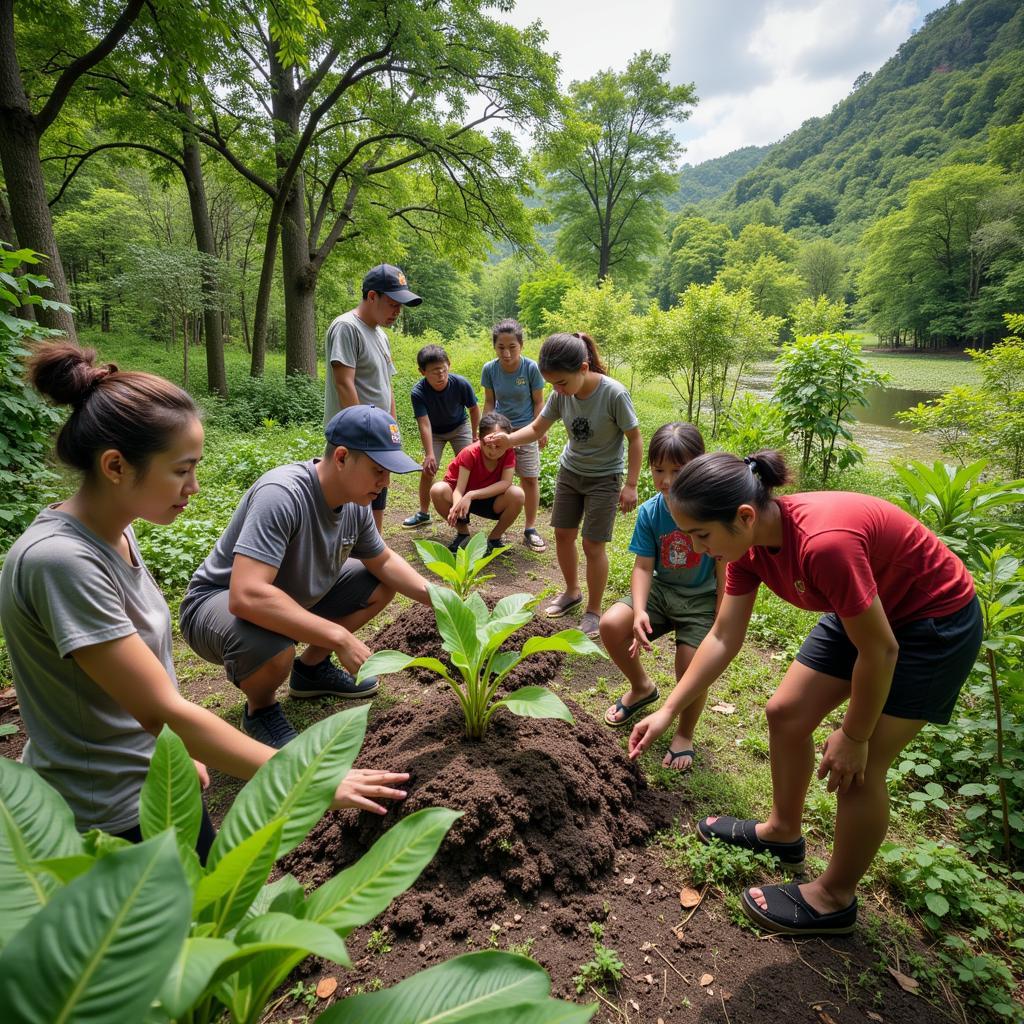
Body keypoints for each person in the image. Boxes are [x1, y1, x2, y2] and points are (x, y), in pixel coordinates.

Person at [0, 344, 409, 862]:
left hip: (156, 787)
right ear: (115, 466)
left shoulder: (116, 536)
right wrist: (310, 777)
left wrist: (173, 754)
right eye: (181, 470)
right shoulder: (60, 562)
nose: (195, 487)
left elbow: (141, 686)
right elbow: (161, 709)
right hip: (102, 821)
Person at [629, 451, 982, 936]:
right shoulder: (745, 548)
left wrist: (855, 734)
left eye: (701, 535)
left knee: (861, 766)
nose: (695, 548)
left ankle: (835, 898)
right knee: (786, 711)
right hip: (865, 608)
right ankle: (782, 831)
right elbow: (723, 637)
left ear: (745, 516)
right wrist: (669, 708)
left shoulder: (823, 544)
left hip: (932, 623)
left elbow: (879, 652)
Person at [180, 405, 434, 749]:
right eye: (378, 469)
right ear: (342, 457)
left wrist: (439, 599)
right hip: (217, 603)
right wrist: (338, 637)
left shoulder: (356, 504)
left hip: (286, 597)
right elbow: (247, 594)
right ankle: (261, 710)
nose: (385, 482)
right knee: (272, 646)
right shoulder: (282, 494)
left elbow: (384, 560)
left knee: (379, 583)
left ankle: (310, 671)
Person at [485, 332, 642, 639]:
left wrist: (632, 484)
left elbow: (634, 438)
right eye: (553, 383)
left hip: (604, 477)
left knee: (592, 544)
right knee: (562, 534)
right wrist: (508, 440)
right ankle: (572, 591)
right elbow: (536, 428)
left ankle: (594, 610)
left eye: (561, 382)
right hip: (571, 471)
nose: (557, 390)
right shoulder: (561, 395)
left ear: (583, 368)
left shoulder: (613, 394)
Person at [601, 424, 725, 775]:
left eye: (677, 471)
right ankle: (641, 688)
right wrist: (639, 609)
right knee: (611, 625)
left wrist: (720, 615)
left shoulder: (713, 512)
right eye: (658, 471)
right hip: (660, 593)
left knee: (690, 664)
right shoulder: (650, 512)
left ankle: (685, 733)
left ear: (698, 466)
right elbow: (643, 567)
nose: (666, 480)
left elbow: (723, 569)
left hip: (701, 602)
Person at [324, 263, 422, 531]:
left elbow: (385, 385)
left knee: (376, 500)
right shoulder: (346, 327)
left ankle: (373, 558)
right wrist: (362, 438)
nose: (397, 312)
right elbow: (344, 384)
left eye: (400, 306)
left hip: (378, 438)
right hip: (356, 440)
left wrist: (392, 430)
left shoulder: (380, 335)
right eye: (392, 303)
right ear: (371, 296)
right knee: (350, 508)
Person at [481, 319, 547, 551]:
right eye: (501, 347)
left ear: (521, 345)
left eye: (512, 347)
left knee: (529, 478)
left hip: (527, 431)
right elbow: (489, 402)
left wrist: (541, 430)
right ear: (495, 346)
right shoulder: (490, 369)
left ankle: (530, 528)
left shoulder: (530, 368)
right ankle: (497, 530)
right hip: (500, 432)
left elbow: (539, 402)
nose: (506, 353)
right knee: (499, 480)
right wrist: (485, 430)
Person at [402, 343, 479, 529]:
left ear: (449, 365)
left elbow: (474, 409)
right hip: (435, 432)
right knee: (427, 469)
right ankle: (423, 513)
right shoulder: (418, 392)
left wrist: (476, 435)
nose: (440, 375)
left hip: (460, 427)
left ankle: (466, 506)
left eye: (443, 369)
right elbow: (424, 423)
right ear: (422, 372)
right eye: (434, 371)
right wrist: (429, 454)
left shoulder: (460, 383)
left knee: (469, 466)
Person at [430, 412, 525, 555]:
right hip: (463, 500)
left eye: (498, 446)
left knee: (517, 494)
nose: (493, 451)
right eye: (488, 445)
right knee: (437, 490)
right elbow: (459, 489)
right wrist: (456, 507)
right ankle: (463, 534)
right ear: (480, 439)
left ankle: (494, 539)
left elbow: (506, 483)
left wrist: (472, 495)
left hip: (489, 498)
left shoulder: (508, 452)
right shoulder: (470, 453)